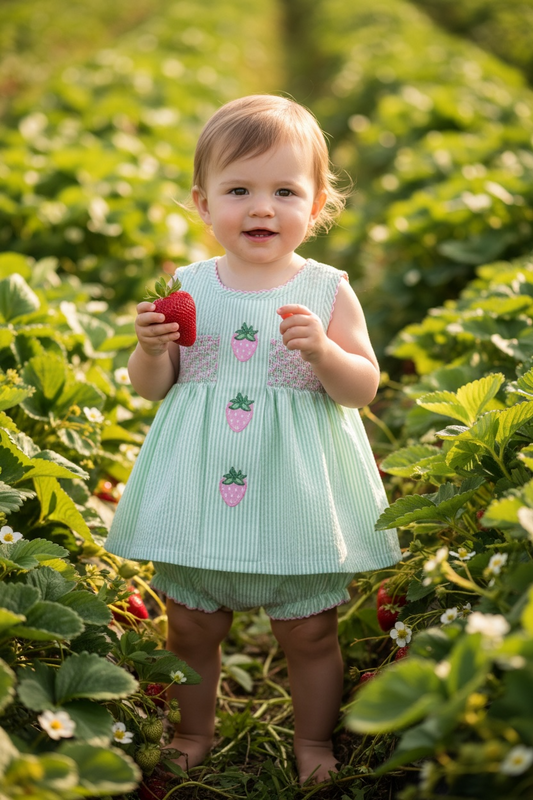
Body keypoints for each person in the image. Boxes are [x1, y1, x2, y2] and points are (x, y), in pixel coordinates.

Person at [105, 94, 401, 785]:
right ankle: (193, 729)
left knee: (308, 631)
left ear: (317, 202)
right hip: (200, 489)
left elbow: (362, 387)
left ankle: (313, 744)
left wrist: (325, 355)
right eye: (238, 190)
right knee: (190, 628)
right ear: (203, 204)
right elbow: (153, 385)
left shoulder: (327, 291)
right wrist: (149, 348)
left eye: (284, 191)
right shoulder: (187, 287)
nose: (261, 208)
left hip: (294, 493)